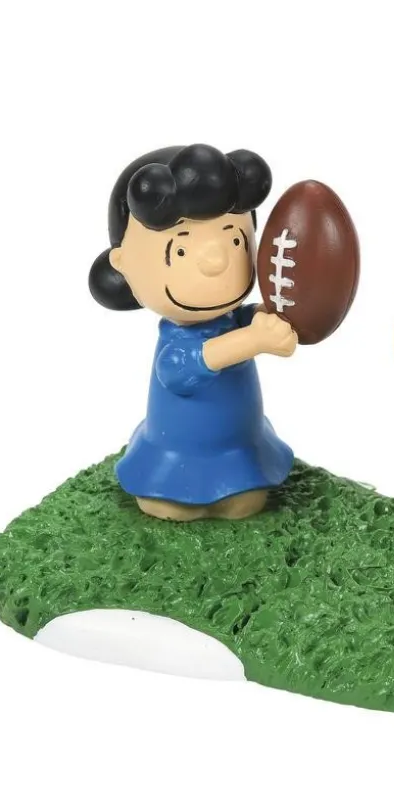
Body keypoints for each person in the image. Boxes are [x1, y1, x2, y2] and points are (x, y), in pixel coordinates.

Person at [89, 144, 297, 521]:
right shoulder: (176, 341)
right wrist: (254, 340)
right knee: (169, 507)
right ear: (123, 264)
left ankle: (237, 477)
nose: (216, 260)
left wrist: (267, 316)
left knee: (246, 503)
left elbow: (245, 322)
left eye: (236, 240)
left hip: (239, 445)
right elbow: (187, 367)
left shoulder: (233, 320)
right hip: (178, 452)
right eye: (181, 251)